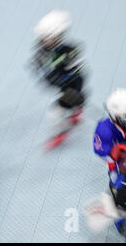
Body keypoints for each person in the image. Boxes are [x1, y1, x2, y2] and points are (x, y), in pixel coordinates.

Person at [31, 10, 87, 151]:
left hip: (71, 86)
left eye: (46, 39)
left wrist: (74, 91)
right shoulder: (45, 49)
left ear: (58, 37)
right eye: (42, 40)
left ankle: (60, 131)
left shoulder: (70, 52)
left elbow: (78, 74)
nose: (42, 43)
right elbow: (40, 60)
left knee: (56, 112)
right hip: (61, 85)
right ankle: (76, 112)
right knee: (71, 102)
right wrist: (39, 64)